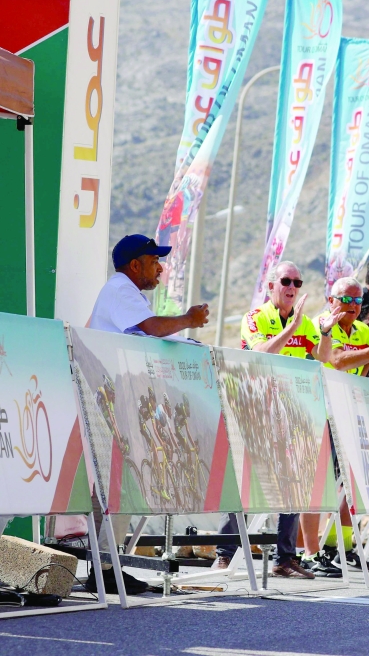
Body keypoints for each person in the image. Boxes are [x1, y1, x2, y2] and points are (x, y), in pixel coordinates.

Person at [81, 235, 212, 596]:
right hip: (107, 400)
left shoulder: (124, 292)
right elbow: (153, 328)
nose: (161, 267)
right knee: (116, 487)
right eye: (155, 260)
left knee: (114, 488)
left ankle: (105, 567)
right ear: (135, 264)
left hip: (112, 400)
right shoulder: (121, 288)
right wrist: (188, 320)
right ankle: (104, 568)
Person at [215, 261, 337, 579]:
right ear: (271, 286)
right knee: (247, 483)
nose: (292, 288)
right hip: (255, 410)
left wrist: (323, 334)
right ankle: (225, 552)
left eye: (297, 282)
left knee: (292, 484)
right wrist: (290, 330)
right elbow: (261, 353)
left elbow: (324, 357)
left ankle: (285, 558)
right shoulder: (255, 318)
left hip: (292, 414)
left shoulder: (304, 322)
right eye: (286, 281)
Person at [297, 277, 369, 577]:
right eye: (345, 299)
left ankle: (340, 548)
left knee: (348, 485)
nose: (352, 306)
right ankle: (309, 553)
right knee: (317, 486)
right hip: (320, 411)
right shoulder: (321, 322)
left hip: (352, 413)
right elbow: (337, 361)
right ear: (331, 299)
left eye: (358, 301)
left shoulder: (362, 329)